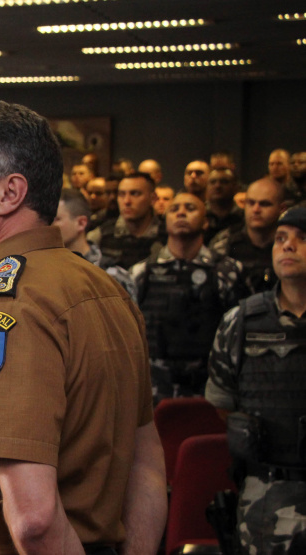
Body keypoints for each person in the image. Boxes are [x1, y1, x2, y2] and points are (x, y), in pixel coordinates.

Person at [0, 101, 165, 554]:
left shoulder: (12, 308)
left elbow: (33, 521)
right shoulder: (103, 288)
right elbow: (145, 468)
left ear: (10, 194)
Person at [206, 205, 306, 554]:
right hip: (266, 497)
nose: (288, 247)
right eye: (281, 239)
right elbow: (223, 404)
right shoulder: (243, 321)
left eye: (301, 239)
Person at [130, 193, 244, 402]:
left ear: (206, 222)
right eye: (174, 209)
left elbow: (237, 334)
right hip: (154, 390)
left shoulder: (226, 271)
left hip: (208, 388)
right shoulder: (142, 272)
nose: (181, 213)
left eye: (190, 208)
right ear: (165, 221)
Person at [54, 188, 136, 302]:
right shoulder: (42, 270)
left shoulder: (111, 276)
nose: (48, 226)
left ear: (81, 223)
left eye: (56, 219)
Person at [210, 178, 288, 296]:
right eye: (251, 203)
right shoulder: (224, 241)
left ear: (282, 209)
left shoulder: (291, 244)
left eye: (264, 204)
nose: (256, 210)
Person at [88, 172, 167, 268]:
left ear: (153, 198)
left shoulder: (167, 235)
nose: (126, 201)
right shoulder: (101, 234)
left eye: (135, 194)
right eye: (121, 194)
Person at [204, 168, 243, 244]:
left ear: (235, 187)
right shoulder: (200, 216)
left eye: (224, 182)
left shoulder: (244, 218)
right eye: (213, 182)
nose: (217, 186)